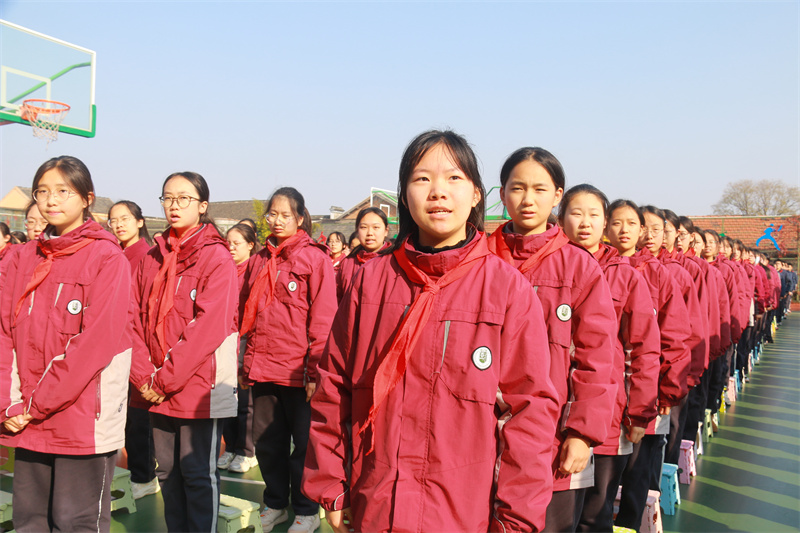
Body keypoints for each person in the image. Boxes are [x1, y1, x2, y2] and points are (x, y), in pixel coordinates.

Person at [304, 130, 559, 533]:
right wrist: (331, 482)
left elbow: (529, 411)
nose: (438, 191)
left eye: (454, 178)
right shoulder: (370, 283)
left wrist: (515, 518)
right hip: (377, 503)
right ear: (404, 197)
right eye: (422, 178)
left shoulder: (507, 288)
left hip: (464, 513)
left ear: (476, 194)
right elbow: (334, 386)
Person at [0, 156, 132, 532]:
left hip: (80, 419)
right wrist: (10, 402)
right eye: (42, 191)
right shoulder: (21, 258)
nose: (51, 200)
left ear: (87, 198)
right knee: (30, 519)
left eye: (63, 191)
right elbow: (4, 333)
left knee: (76, 521)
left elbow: (94, 344)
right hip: (25, 417)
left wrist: (35, 404)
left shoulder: (107, 258)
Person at [488, 148, 617, 532]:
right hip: (479, 433)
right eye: (517, 188)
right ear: (502, 193)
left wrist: (581, 433)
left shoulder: (578, 266)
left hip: (554, 436)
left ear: (557, 195)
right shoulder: (479, 258)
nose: (528, 199)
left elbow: (596, 356)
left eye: (540, 189)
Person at [129, 172, 239, 532]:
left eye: (184, 198)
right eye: (168, 198)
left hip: (196, 387)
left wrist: (163, 380)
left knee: (197, 473)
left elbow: (208, 327)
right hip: (154, 386)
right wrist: (144, 377)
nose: (174, 205)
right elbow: (132, 319)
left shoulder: (215, 257)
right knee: (168, 472)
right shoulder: (152, 257)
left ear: (202, 206)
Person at [559, 185, 660, 533]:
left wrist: (640, 412)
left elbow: (642, 348)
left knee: (595, 512)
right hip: (552, 411)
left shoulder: (626, 276)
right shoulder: (549, 269)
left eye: (594, 215)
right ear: (560, 218)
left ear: (604, 223)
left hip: (608, 412)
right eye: (576, 213)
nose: (584, 223)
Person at [239, 187, 337, 533]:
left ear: (300, 218)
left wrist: (314, 372)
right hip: (264, 369)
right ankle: (277, 502)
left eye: (285, 215)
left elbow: (323, 319)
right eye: (272, 214)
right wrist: (245, 364)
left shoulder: (314, 259)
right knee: (267, 442)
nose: (277, 221)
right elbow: (246, 315)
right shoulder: (260, 260)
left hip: (299, 372)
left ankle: (307, 509)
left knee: (305, 446)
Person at [605, 200, 690, 531]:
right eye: (617, 222)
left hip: (647, 391)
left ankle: (631, 524)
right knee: (603, 479)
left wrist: (668, 391)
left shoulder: (660, 275)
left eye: (633, 224)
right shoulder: (594, 268)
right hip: (608, 392)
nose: (624, 230)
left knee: (638, 470)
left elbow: (674, 337)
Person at [108, 200, 160, 500]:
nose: (119, 225)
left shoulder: (146, 256)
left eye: (125, 218)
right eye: (113, 220)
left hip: (137, 345)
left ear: (140, 222)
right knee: (125, 416)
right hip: (115, 344)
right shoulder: (114, 254)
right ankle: (139, 472)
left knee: (139, 418)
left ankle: (145, 475)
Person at [218, 223, 261, 474]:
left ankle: (247, 450)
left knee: (245, 400)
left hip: (245, 338)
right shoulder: (223, 269)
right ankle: (231, 446)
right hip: (225, 339)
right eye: (228, 243)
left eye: (237, 243)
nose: (231, 247)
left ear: (250, 245)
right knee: (226, 396)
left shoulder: (255, 270)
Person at [336, 207, 391, 301]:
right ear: (357, 230)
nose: (369, 233)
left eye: (376, 227)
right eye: (364, 227)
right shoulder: (347, 263)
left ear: (386, 231)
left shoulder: (396, 262)